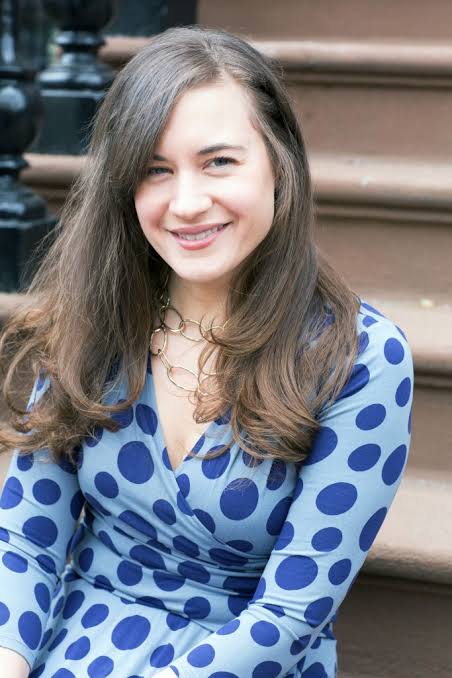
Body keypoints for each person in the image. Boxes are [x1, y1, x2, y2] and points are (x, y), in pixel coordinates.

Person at [0, 25, 413, 678]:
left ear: (279, 162)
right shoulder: (97, 313)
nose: (187, 203)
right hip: (75, 646)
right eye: (155, 170)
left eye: (219, 162)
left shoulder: (359, 358)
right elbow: (27, 538)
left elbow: (290, 614)